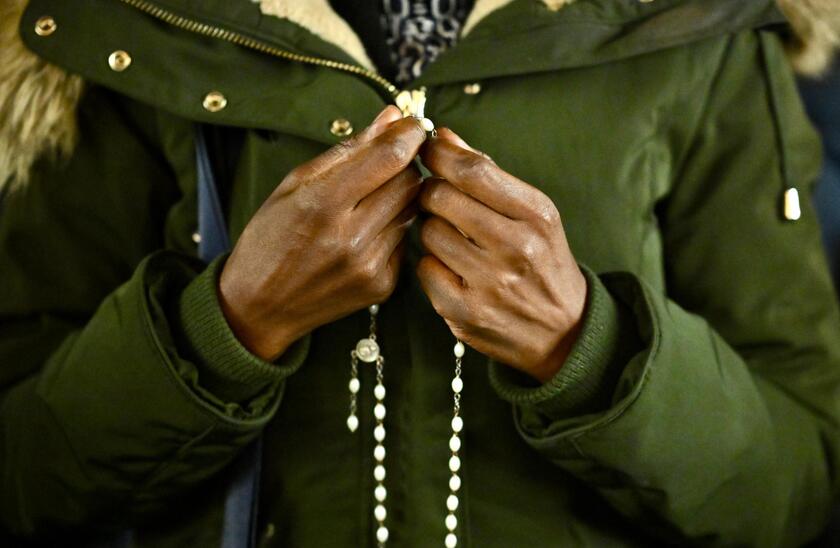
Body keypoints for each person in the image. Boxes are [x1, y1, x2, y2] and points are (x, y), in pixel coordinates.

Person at [1, 0, 839, 546]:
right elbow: (25, 481)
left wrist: (589, 351)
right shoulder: (118, 27)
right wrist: (229, 324)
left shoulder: (693, 28)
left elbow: (802, 492)